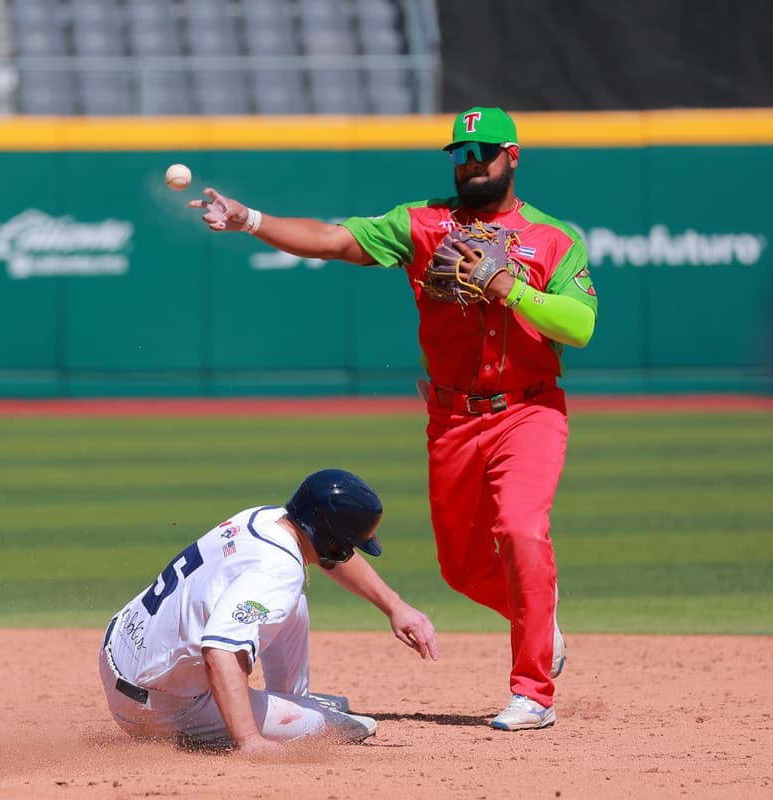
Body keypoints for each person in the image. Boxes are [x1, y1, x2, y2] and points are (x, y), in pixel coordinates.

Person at [188, 107, 598, 732]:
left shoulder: (552, 239)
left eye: (483, 152)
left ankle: (533, 690)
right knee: (460, 569)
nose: (470, 163)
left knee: (519, 529)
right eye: (460, 153)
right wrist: (250, 220)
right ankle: (538, 615)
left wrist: (505, 285)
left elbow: (582, 325)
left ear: (513, 156)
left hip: (528, 410)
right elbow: (333, 241)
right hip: (452, 419)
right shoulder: (422, 223)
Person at [99, 468, 439, 755]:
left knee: (293, 605)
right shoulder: (278, 571)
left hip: (122, 651)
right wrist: (249, 740)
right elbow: (219, 650)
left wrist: (395, 606)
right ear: (331, 540)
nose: (347, 553)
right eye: (346, 545)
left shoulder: (263, 518)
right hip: (156, 709)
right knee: (330, 725)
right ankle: (295, 711)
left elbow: (326, 555)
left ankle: (287, 700)